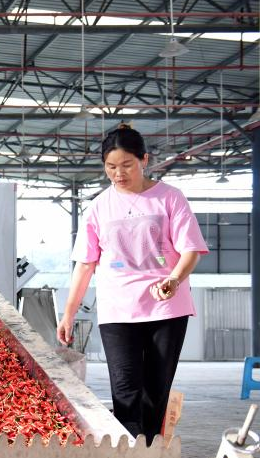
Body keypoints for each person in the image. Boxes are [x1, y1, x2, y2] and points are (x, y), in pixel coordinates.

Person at [57, 125, 209, 440]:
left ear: (144, 160)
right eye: (111, 166)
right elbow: (85, 263)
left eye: (127, 165)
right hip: (118, 309)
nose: (119, 173)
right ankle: (129, 454)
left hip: (167, 309)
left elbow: (191, 250)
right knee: (124, 388)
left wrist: (174, 279)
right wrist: (69, 313)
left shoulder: (170, 197)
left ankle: (150, 450)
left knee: (156, 388)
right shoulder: (99, 206)